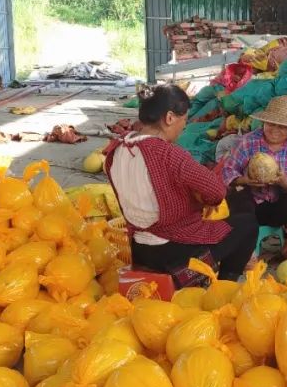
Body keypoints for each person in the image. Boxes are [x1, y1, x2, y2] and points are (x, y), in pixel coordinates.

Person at [104, 84, 258, 281]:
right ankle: (225, 285)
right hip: (172, 249)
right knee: (247, 224)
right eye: (184, 120)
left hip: (139, 248)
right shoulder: (167, 153)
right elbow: (216, 191)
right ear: (169, 118)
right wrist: (205, 202)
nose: (184, 126)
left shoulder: (118, 148)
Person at [222, 96, 287, 230]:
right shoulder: (248, 142)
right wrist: (244, 180)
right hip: (252, 202)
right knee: (236, 201)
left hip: (280, 204)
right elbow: (228, 170)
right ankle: (245, 241)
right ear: (264, 122)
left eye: (281, 126)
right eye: (271, 124)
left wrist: (285, 183)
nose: (275, 129)